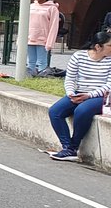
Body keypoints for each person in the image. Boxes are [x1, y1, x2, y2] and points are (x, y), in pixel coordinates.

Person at [47, 31, 111, 162]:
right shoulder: (78, 56)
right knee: (55, 111)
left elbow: (109, 85)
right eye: (109, 45)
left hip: (102, 96)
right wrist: (71, 93)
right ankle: (67, 147)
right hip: (79, 93)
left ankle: (73, 146)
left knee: (82, 110)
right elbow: (70, 78)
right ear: (98, 46)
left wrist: (89, 95)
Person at [27, 0, 60, 75]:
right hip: (30, 37)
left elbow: (54, 26)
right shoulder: (31, 6)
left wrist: (50, 42)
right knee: (31, 61)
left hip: (43, 39)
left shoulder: (52, 8)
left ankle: (41, 76)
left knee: (41, 62)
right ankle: (30, 76)